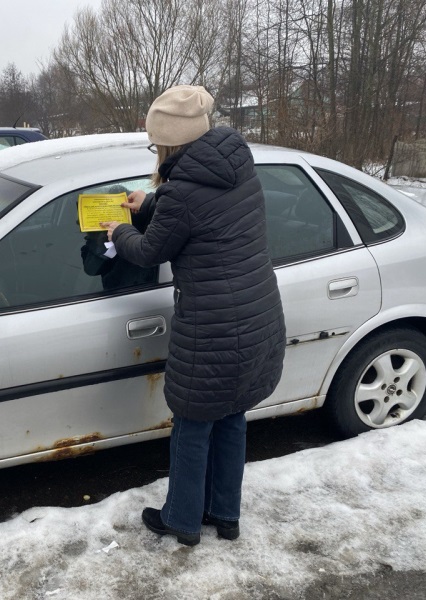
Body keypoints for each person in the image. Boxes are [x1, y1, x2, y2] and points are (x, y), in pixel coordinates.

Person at [101, 85, 286, 546]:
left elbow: (148, 251)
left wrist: (120, 227)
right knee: (231, 418)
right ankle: (225, 515)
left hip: (213, 329)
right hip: (258, 316)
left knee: (191, 423)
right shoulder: (239, 171)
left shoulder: (181, 193)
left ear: (167, 144)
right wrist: (151, 205)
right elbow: (205, 216)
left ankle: (182, 521)